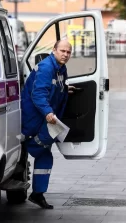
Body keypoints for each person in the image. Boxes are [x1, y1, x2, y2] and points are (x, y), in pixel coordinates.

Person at [20, 40, 75, 209]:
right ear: (53, 50)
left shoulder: (60, 68)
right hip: (34, 117)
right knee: (37, 148)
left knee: (45, 156)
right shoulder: (46, 67)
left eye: (68, 52)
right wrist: (48, 112)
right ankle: (24, 154)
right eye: (62, 51)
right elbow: (38, 94)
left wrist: (66, 90)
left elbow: (55, 89)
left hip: (44, 118)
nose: (65, 54)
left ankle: (38, 194)